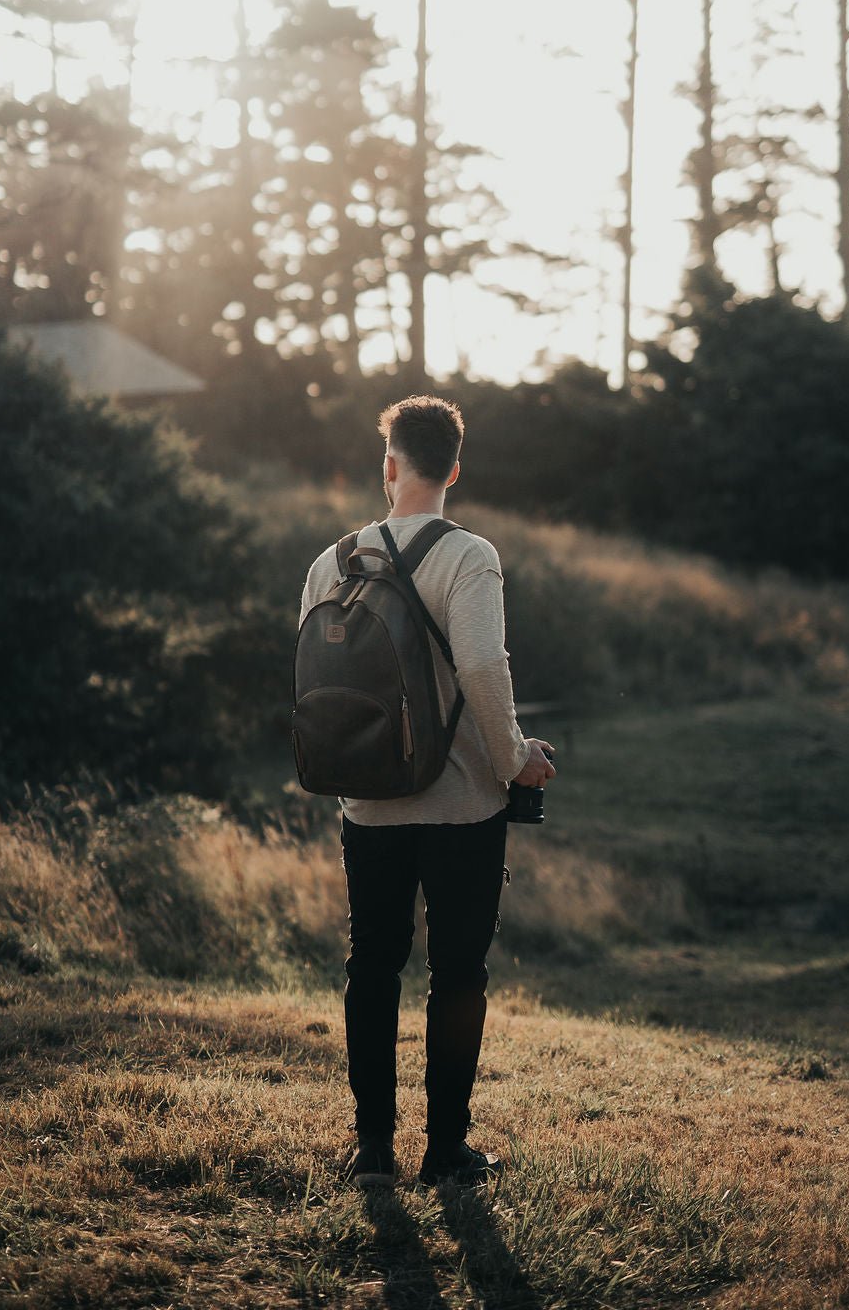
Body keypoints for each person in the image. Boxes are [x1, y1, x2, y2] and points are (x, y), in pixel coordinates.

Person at [299, 394, 555, 1189]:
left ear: (389, 468)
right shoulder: (468, 555)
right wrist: (514, 758)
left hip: (366, 800)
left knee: (371, 964)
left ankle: (371, 1145)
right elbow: (482, 668)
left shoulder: (331, 562)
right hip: (461, 806)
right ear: (454, 468)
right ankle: (446, 1150)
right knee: (457, 974)